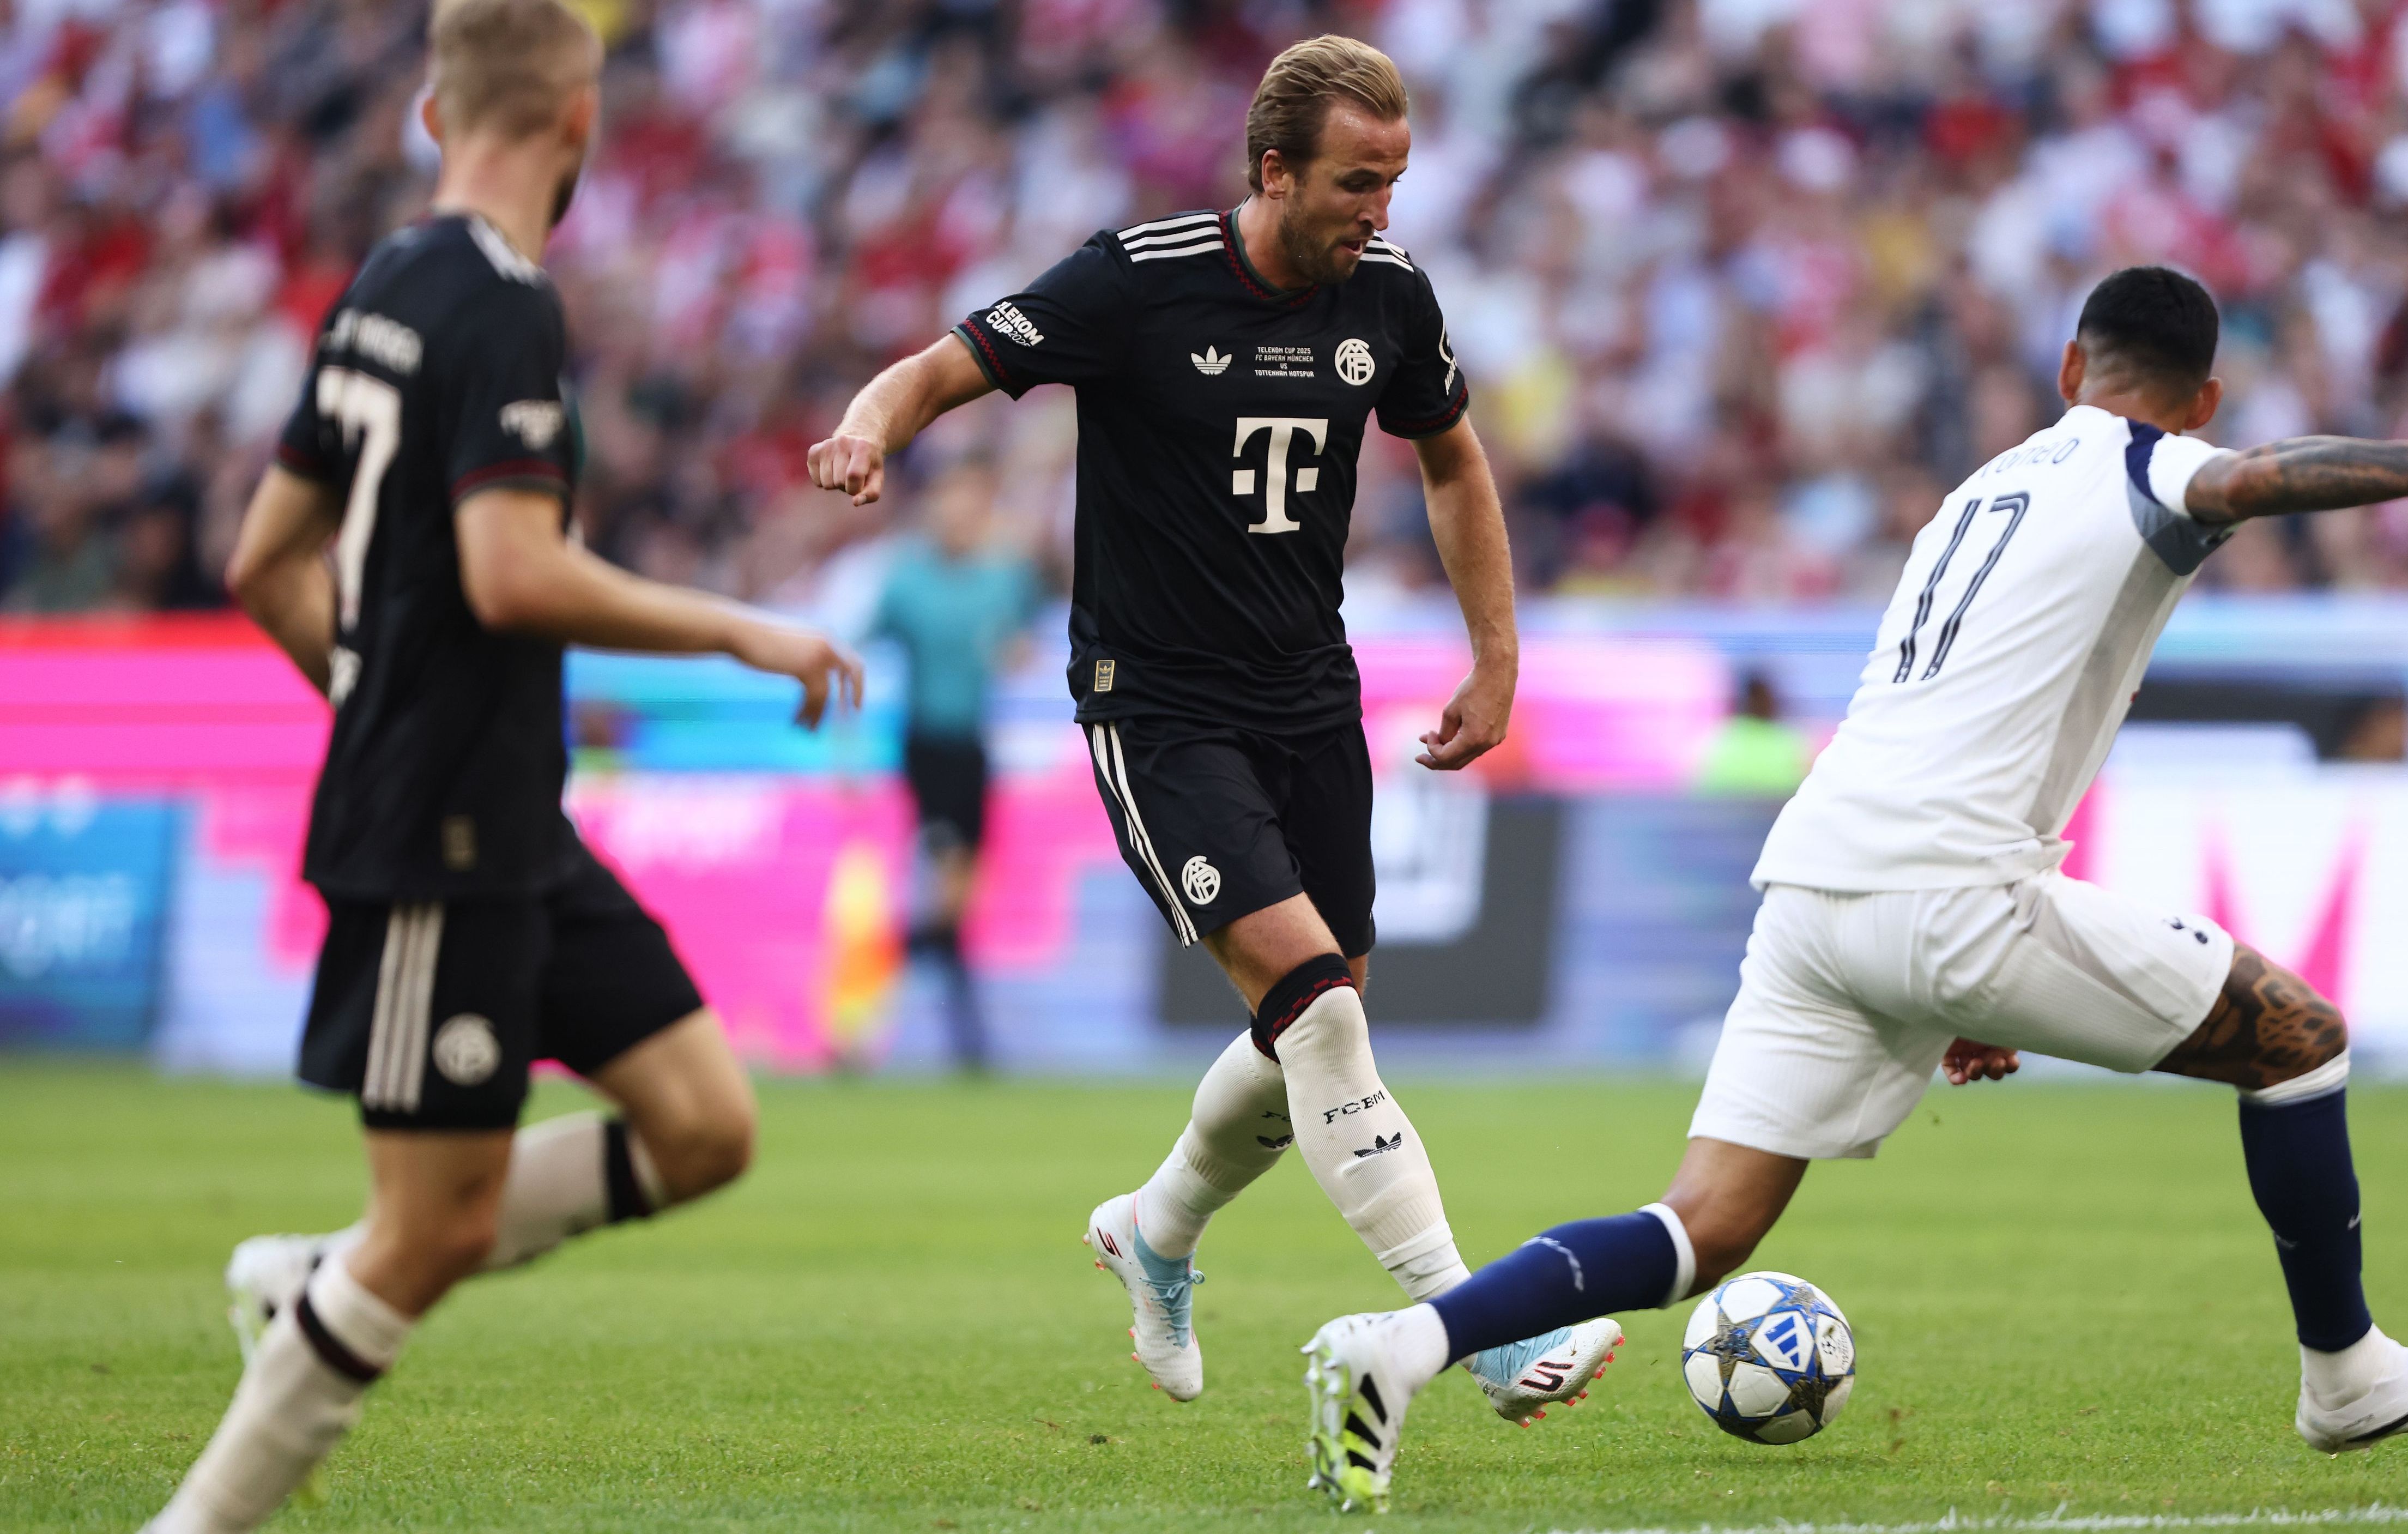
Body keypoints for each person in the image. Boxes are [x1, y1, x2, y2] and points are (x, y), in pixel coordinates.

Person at [1293, 265, 2408, 1512]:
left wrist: (1954, 981)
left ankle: (1404, 1345)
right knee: (2295, 1041)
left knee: (1699, 1229)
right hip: (1945, 892)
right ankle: (2346, 1378)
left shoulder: (1975, 495)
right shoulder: (2147, 463)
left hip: (1819, 887)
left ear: (2065, 366)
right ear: (2201, 398)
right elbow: (2251, 485)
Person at [809, 34, 1618, 1420]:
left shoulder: (1390, 296)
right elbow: (945, 364)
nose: (1381, 211)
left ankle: (1155, 1228)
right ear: (1272, 170)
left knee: (1319, 1017)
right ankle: (1473, 1329)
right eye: (1357, 183)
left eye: (1395, 182)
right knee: (1318, 1012)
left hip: (1309, 694)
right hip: (1158, 706)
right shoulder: (1135, 278)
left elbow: (1450, 457)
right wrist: (866, 427)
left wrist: (1496, 655)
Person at [142, 3, 862, 1529]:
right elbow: (513, 572)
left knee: (702, 1124)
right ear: (578, 120)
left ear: (429, 113)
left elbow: (265, 561)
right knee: (429, 1231)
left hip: (503, 812)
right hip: (441, 829)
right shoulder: (504, 305)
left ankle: (309, 1284)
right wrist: (739, 630)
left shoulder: (386, 283)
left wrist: (377, 688)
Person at [866, 461, 1038, 1071]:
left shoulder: (1005, 576)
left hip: (974, 750)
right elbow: (864, 649)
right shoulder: (906, 579)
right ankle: (889, 1014)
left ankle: (962, 1040)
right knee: (948, 893)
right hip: (926, 748)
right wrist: (841, 750)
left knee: (956, 910)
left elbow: (1026, 638)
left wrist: (1015, 652)